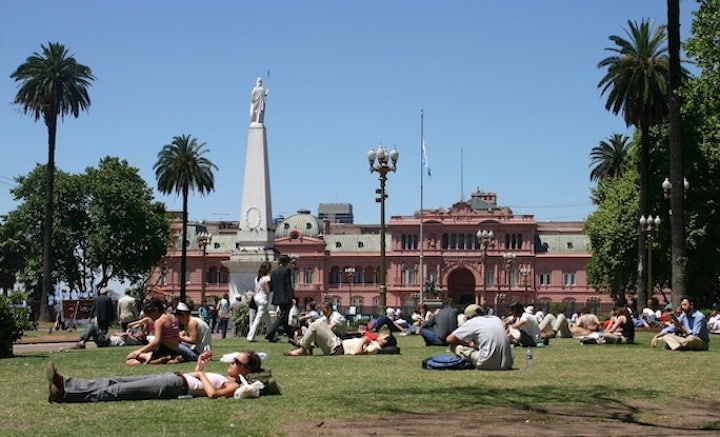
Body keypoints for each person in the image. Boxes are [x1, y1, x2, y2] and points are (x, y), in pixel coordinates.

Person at [46, 350, 262, 403]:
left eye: (237, 362)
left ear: (246, 371)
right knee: (116, 380)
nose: (232, 363)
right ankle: (66, 384)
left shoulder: (234, 385)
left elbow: (213, 394)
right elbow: (200, 379)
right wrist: (200, 366)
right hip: (174, 377)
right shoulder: (227, 376)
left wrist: (201, 373)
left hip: (175, 385)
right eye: (233, 359)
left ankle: (66, 393)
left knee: (119, 391)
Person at [446, 304, 514, 370]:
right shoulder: (496, 319)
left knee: (453, 346)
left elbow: (449, 339)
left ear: (468, 318)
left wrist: (467, 343)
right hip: (507, 363)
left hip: (485, 362)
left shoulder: (472, 322)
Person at [284, 317, 397, 356]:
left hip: (337, 348)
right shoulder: (374, 343)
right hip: (338, 344)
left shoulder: (376, 347)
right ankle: (305, 347)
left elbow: (357, 353)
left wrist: (364, 341)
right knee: (319, 324)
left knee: (317, 325)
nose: (380, 335)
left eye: (383, 335)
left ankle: (302, 345)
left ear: (385, 340)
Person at [126, 297, 183, 365]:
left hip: (164, 349)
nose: (151, 318)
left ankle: (151, 358)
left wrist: (139, 351)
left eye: (150, 315)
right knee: (141, 355)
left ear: (156, 310)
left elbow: (156, 342)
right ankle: (171, 358)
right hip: (175, 349)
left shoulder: (159, 321)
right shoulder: (173, 317)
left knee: (130, 357)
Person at [265, 255, 295, 343]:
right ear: (286, 262)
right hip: (285, 296)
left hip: (277, 296)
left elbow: (273, 286)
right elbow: (288, 285)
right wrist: (292, 297)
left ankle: (290, 336)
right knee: (283, 317)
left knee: (285, 317)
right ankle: (270, 333)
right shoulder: (287, 271)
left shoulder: (274, 272)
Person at [247, 261, 273, 342]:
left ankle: (273, 335)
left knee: (267, 319)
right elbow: (268, 290)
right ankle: (251, 336)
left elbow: (255, 289)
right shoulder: (266, 278)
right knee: (258, 319)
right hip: (263, 299)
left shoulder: (257, 278)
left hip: (257, 298)